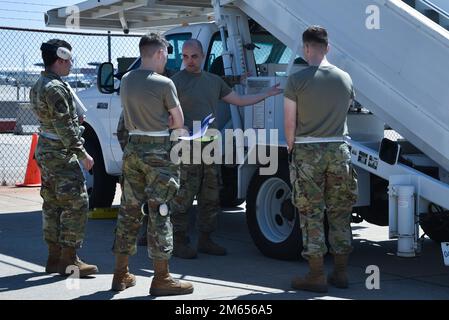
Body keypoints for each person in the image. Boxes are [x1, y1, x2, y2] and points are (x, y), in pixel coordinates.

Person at [169, 39, 282, 259]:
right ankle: (178, 240)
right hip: (185, 145)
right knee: (183, 195)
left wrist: (266, 94)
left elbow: (238, 100)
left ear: (203, 57)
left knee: (210, 195)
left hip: (209, 143)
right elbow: (164, 113)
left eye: (194, 56)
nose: (189, 61)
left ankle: (205, 239)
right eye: (185, 56)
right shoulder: (174, 83)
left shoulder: (213, 81)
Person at [111, 33, 193, 296]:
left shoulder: (125, 79)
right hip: (158, 152)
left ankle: (120, 273)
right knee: (160, 212)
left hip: (133, 148)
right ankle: (161, 278)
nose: (166, 59)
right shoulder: (165, 83)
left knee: (129, 211)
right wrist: (172, 123)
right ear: (159, 53)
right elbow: (178, 121)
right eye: (166, 54)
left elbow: (126, 116)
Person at [284, 26, 358, 293]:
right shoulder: (345, 79)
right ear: (328, 48)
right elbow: (345, 112)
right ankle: (340, 273)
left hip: (307, 151)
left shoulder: (296, 80)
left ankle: (316, 275)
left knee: (311, 214)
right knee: (340, 212)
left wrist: (292, 150)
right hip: (339, 151)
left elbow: (289, 123)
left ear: (306, 49)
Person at [30, 39, 98, 277]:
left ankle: (54, 258)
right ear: (59, 60)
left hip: (47, 152)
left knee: (52, 204)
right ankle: (70, 261)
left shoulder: (41, 84)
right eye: (68, 61)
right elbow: (65, 127)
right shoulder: (56, 88)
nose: (70, 64)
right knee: (76, 204)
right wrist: (83, 154)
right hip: (61, 154)